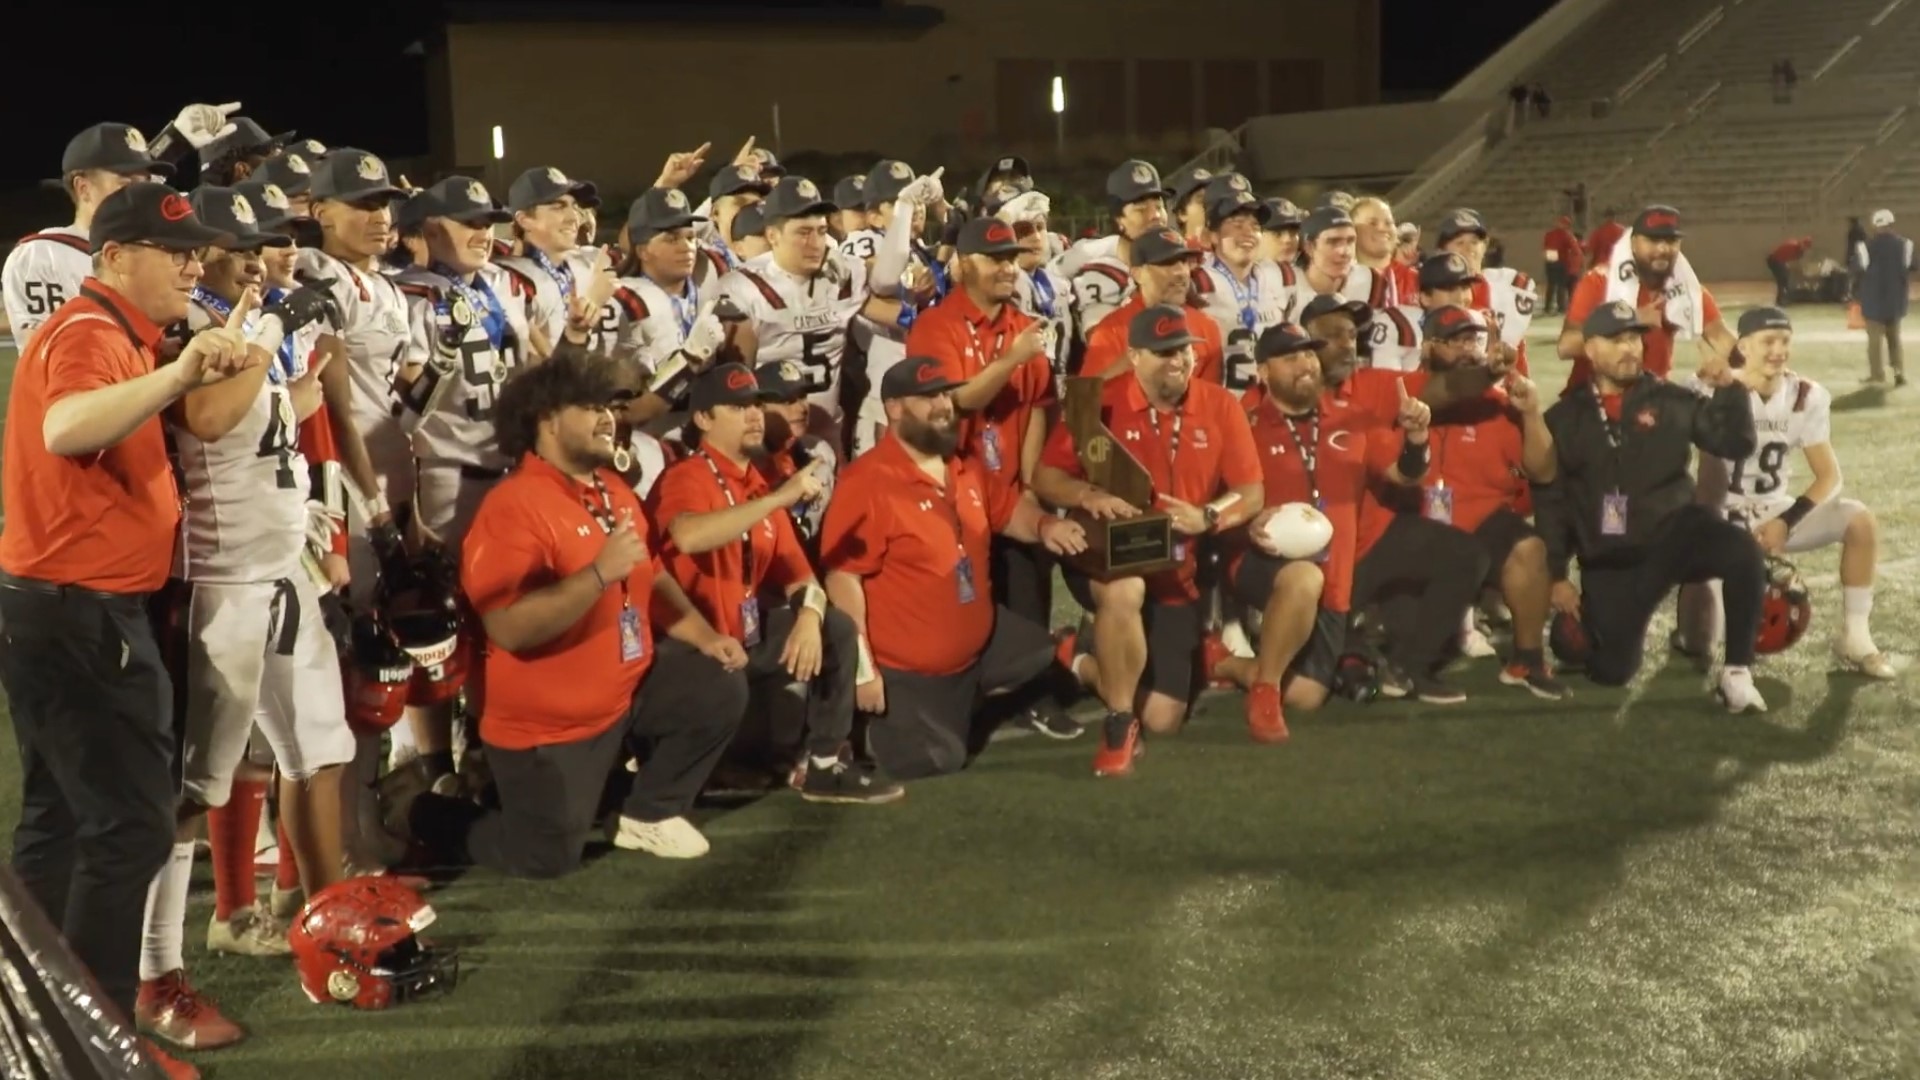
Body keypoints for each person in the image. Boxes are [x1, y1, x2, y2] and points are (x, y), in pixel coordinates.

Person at [0, 182, 258, 1080]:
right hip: (81, 612)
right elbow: (68, 427)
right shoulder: (88, 332)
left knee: (60, 825)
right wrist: (182, 373)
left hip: (61, 607)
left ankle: (35, 1029)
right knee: (129, 828)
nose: (193, 264)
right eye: (172, 249)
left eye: (194, 251)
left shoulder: (117, 332)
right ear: (112, 257)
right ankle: (94, 1042)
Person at [393, 346, 751, 876]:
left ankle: (645, 813)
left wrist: (702, 635)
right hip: (549, 727)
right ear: (547, 421)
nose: (609, 417)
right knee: (544, 858)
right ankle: (419, 810)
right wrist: (598, 575)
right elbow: (509, 628)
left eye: (609, 406)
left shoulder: (609, 488)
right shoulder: (512, 507)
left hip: (623, 696)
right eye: (590, 407)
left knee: (716, 681)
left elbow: (651, 572)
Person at [820, 357, 1085, 779]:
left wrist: (1045, 524)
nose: (943, 405)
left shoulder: (963, 465)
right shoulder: (867, 483)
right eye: (928, 398)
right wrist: (863, 670)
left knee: (1040, 651)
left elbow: (1008, 510)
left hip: (975, 646)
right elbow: (842, 579)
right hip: (907, 668)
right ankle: (865, 725)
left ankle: (965, 699)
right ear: (894, 408)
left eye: (945, 393)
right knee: (938, 759)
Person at [650, 363, 903, 801]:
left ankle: (824, 765)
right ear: (704, 419)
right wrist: (778, 499)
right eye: (736, 407)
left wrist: (807, 614)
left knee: (834, 627)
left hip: (740, 637)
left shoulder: (755, 485)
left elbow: (802, 578)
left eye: (754, 405)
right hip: (688, 647)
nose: (752, 416)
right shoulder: (687, 477)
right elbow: (688, 535)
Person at [1031, 305, 1264, 776]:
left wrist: (1209, 515)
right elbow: (1046, 477)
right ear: (1133, 355)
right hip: (1104, 554)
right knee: (1125, 590)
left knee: (1162, 719)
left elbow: (1252, 491)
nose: (1177, 360)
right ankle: (1118, 726)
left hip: (1177, 571)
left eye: (1183, 350)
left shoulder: (1220, 404)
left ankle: (1075, 655)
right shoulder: (1096, 403)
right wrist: (1086, 494)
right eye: (1162, 352)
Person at [1534, 301, 1766, 710]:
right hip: (1612, 558)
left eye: (1635, 339)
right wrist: (1556, 574)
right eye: (1617, 340)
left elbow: (1736, 443)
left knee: (1741, 550)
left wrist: (1730, 388)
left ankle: (1737, 673)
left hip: (1673, 534)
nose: (1630, 349)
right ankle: (1587, 629)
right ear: (1590, 349)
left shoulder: (1670, 399)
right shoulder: (1564, 418)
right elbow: (1553, 502)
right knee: (1610, 671)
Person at [1212, 323, 1431, 738]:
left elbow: (1404, 475)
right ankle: (1264, 690)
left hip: (1335, 577)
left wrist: (1417, 439)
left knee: (1308, 696)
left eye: (1310, 354)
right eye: (1291, 357)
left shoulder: (1355, 419)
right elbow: (1218, 499)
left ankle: (1223, 663)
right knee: (1301, 578)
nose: (1305, 365)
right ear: (1263, 372)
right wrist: (1245, 520)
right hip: (1261, 562)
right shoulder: (1246, 424)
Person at [1677, 307, 1894, 679]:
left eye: (1785, 341)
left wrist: (1785, 520)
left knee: (1859, 520)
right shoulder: (1710, 388)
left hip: (1774, 511)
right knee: (1704, 641)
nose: (1778, 350)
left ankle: (1856, 637)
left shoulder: (1805, 396)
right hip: (1720, 516)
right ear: (1743, 346)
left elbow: (1829, 477)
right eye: (1768, 342)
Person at [1560, 205, 1734, 393]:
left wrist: (1741, 359)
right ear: (1634, 243)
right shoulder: (1600, 282)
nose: (1662, 248)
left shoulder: (1684, 288)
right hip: (1593, 398)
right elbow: (1566, 346)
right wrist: (1630, 320)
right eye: (1653, 240)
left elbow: (1719, 336)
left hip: (1650, 401)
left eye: (1671, 240)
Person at [1859, 208, 1912, 386]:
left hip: (1873, 301)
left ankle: (1877, 375)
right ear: (1892, 224)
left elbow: (1857, 271)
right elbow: (1910, 268)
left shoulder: (1865, 246)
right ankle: (1899, 373)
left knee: (1874, 343)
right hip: (1896, 301)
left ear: (1875, 226)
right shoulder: (1906, 245)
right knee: (1895, 340)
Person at [1765, 235, 1812, 306]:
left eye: (1806, 247)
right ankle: (1781, 300)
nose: (1804, 248)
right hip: (1774, 260)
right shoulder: (1792, 245)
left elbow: (1791, 261)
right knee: (1782, 279)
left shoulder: (1799, 252)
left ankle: (1782, 299)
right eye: (1804, 246)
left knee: (1784, 279)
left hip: (1780, 261)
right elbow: (1779, 256)